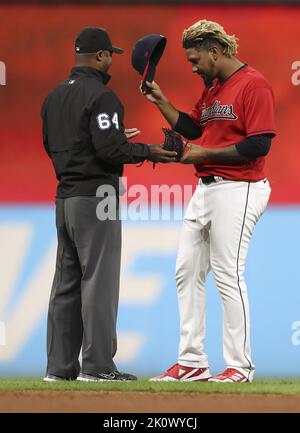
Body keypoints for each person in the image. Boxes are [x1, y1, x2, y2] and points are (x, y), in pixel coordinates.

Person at [142, 19, 276, 383]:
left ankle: (240, 367)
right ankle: (192, 362)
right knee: (187, 271)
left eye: (195, 58)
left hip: (240, 187)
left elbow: (259, 144)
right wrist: (161, 101)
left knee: (228, 275)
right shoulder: (214, 89)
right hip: (206, 189)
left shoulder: (254, 85)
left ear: (215, 52)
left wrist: (202, 151)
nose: (193, 65)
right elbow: (193, 128)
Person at [41, 27, 176, 382]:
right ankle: (98, 366)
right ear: (100, 56)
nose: (112, 60)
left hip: (64, 198)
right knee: (98, 281)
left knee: (66, 283)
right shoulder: (103, 96)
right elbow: (109, 151)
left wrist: (113, 140)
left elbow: (59, 144)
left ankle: (59, 369)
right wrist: (148, 151)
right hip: (96, 199)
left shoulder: (53, 97)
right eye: (110, 54)